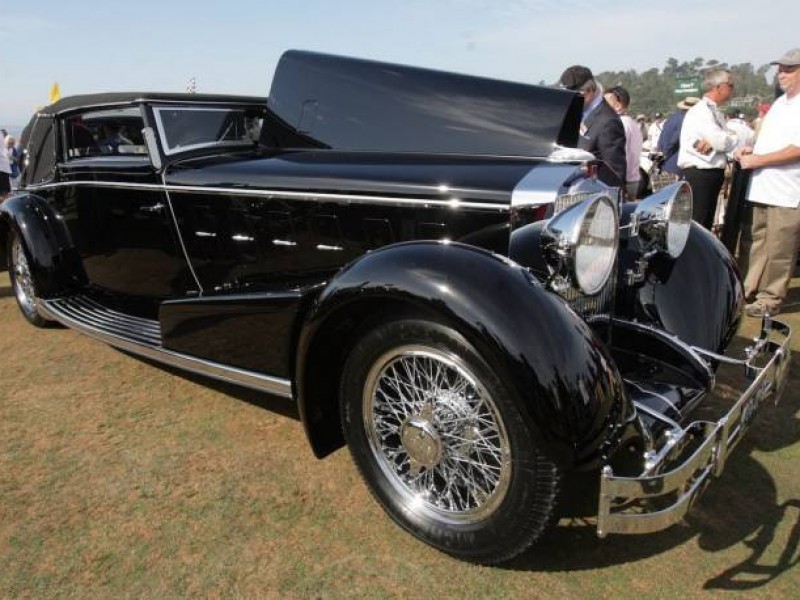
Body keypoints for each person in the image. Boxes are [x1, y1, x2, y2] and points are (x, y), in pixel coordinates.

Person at [735, 48, 800, 317]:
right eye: (780, 69)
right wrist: (752, 151)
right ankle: (748, 289)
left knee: (779, 249)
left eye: (789, 70)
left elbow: (797, 149)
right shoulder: (780, 103)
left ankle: (770, 298)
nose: (781, 74)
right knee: (755, 243)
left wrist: (759, 160)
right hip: (763, 186)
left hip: (787, 190)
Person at [678, 69, 739, 229]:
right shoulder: (701, 111)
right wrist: (729, 137)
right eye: (730, 85)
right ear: (718, 87)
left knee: (705, 221)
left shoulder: (714, 112)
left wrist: (729, 137)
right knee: (699, 223)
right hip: (701, 173)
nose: (732, 90)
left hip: (710, 172)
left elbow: (725, 139)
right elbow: (721, 141)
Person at [558, 65, 626, 186]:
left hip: (589, 192)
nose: (568, 101)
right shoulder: (575, 112)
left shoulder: (608, 122)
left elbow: (614, 174)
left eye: (573, 95)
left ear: (589, 90)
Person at [604, 85, 643, 199]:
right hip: (632, 179)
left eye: (605, 103)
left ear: (618, 105)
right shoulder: (632, 123)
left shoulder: (619, 124)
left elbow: (616, 156)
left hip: (622, 181)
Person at [657, 96, 700, 175]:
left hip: (667, 161)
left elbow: (663, 139)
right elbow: (673, 141)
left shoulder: (673, 118)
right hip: (675, 162)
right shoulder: (686, 119)